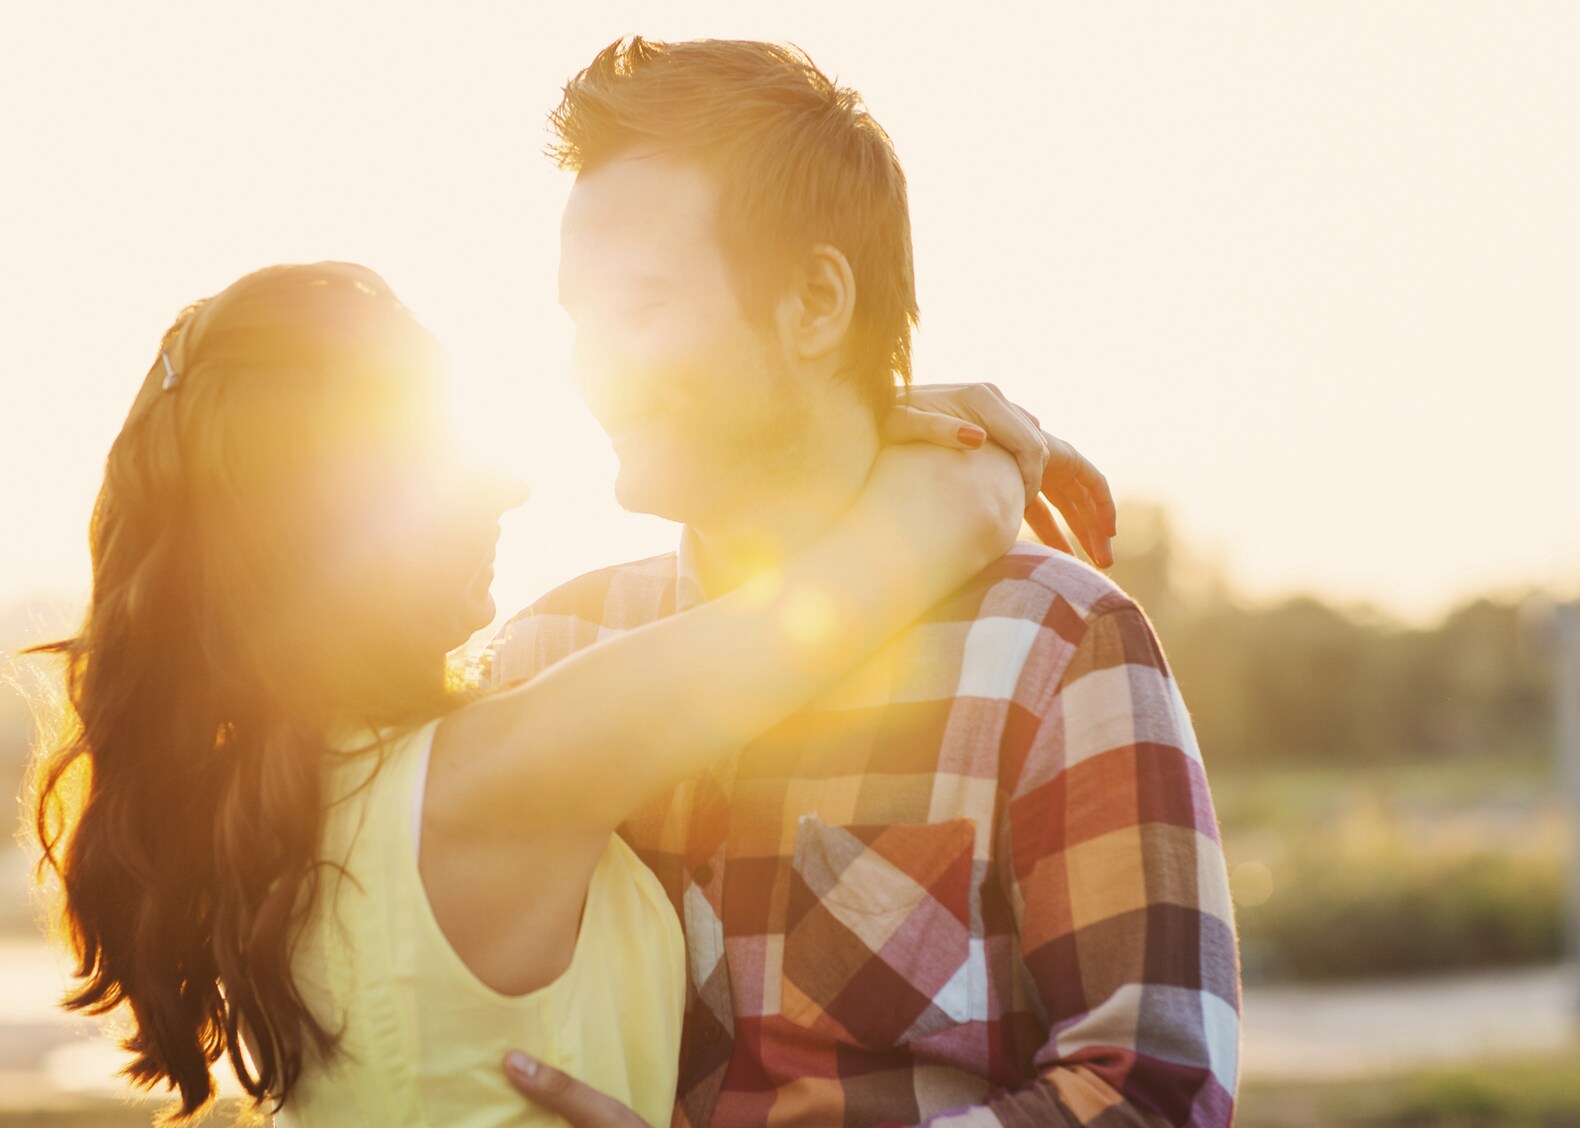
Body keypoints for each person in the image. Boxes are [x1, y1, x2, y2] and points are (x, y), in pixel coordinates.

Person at [28, 261, 1098, 1125]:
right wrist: (959, 438)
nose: (509, 483)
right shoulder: (498, 776)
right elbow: (946, 519)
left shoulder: (273, 808)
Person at [489, 37, 1239, 1128]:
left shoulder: (1051, 647)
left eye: (636, 307)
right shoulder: (545, 651)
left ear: (813, 303)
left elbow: (1156, 1095)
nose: (584, 367)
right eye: (573, 320)